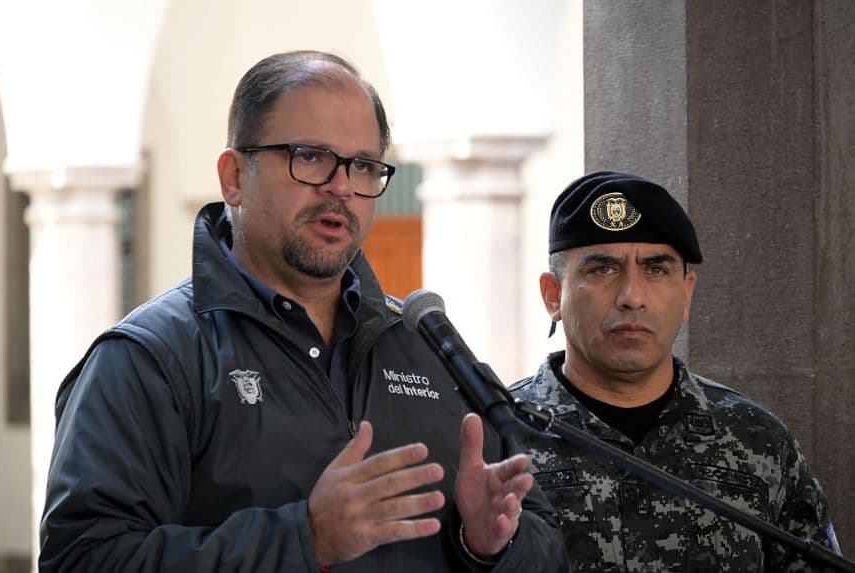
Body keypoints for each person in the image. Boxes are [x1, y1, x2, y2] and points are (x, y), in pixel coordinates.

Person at [39, 50, 566, 572]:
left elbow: (548, 547)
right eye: (310, 156)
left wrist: (493, 545)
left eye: (363, 166)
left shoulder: (426, 344)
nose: (341, 187)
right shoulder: (150, 359)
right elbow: (83, 558)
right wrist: (302, 539)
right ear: (233, 178)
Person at [510, 171, 841, 571]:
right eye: (603, 270)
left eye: (655, 270)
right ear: (552, 296)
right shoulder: (500, 437)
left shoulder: (758, 443)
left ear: (685, 295)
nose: (632, 297)